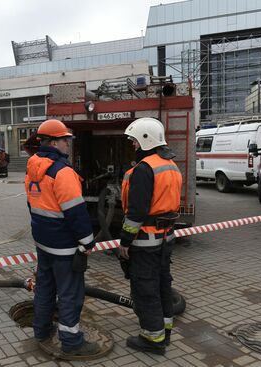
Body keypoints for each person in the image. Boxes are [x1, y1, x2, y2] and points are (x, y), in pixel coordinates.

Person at [25, 119, 100, 356]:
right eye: (66, 140)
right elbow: (76, 213)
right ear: (54, 142)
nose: (69, 144)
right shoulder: (63, 172)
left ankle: (41, 330)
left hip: (43, 243)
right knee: (70, 294)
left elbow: (32, 206)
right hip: (65, 248)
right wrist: (87, 241)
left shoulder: (33, 166)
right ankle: (71, 342)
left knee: (45, 288)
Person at [118, 117, 182, 355]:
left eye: (134, 141)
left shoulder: (144, 169)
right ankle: (164, 332)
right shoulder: (170, 165)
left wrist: (125, 242)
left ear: (146, 139)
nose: (132, 145)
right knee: (163, 284)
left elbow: (136, 213)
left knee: (145, 289)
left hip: (145, 241)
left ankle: (152, 339)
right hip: (166, 238)